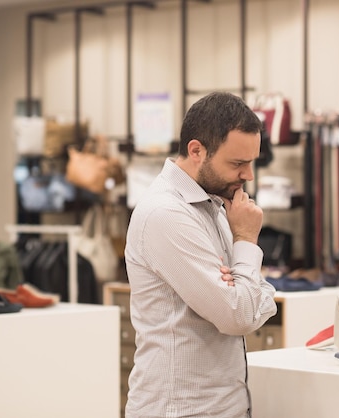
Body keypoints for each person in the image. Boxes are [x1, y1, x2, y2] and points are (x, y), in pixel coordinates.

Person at [124, 92, 278, 418]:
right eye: (237, 163)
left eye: (251, 162)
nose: (248, 175)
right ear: (196, 151)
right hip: (181, 409)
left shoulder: (217, 205)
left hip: (223, 406)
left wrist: (242, 287)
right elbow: (239, 315)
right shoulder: (166, 213)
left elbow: (250, 302)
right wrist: (246, 241)